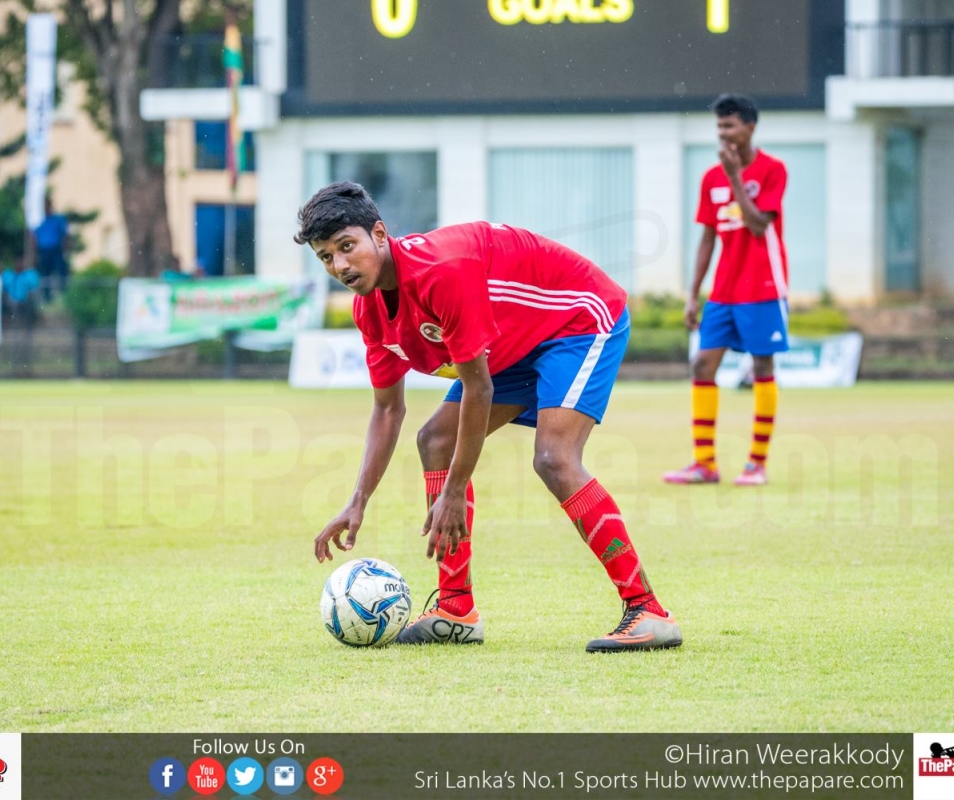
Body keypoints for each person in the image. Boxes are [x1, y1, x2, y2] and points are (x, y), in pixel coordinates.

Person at [299, 182, 682, 653]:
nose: (339, 265)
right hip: (513, 342)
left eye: (346, 246)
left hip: (578, 316)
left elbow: (480, 388)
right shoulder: (370, 311)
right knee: (435, 440)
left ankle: (648, 609)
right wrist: (357, 501)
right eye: (325, 257)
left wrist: (455, 490)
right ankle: (455, 610)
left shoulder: (440, 272)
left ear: (379, 234)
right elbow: (387, 408)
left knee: (554, 458)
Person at [663, 94, 788, 488]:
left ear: (750, 127)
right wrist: (693, 293)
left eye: (730, 126)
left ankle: (756, 465)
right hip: (723, 291)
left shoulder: (772, 170)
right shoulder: (710, 178)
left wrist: (735, 178)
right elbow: (707, 238)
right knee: (702, 365)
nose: (724, 134)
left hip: (764, 287)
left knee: (762, 368)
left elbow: (758, 225)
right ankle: (705, 465)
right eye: (719, 127)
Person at [33, 197, 70, 301]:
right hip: (43, 251)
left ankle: (64, 295)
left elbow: (65, 236)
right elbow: (34, 238)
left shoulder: (58, 220)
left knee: (61, 271)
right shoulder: (39, 221)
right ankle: (47, 297)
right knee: (45, 274)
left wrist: (65, 250)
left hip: (56, 250)